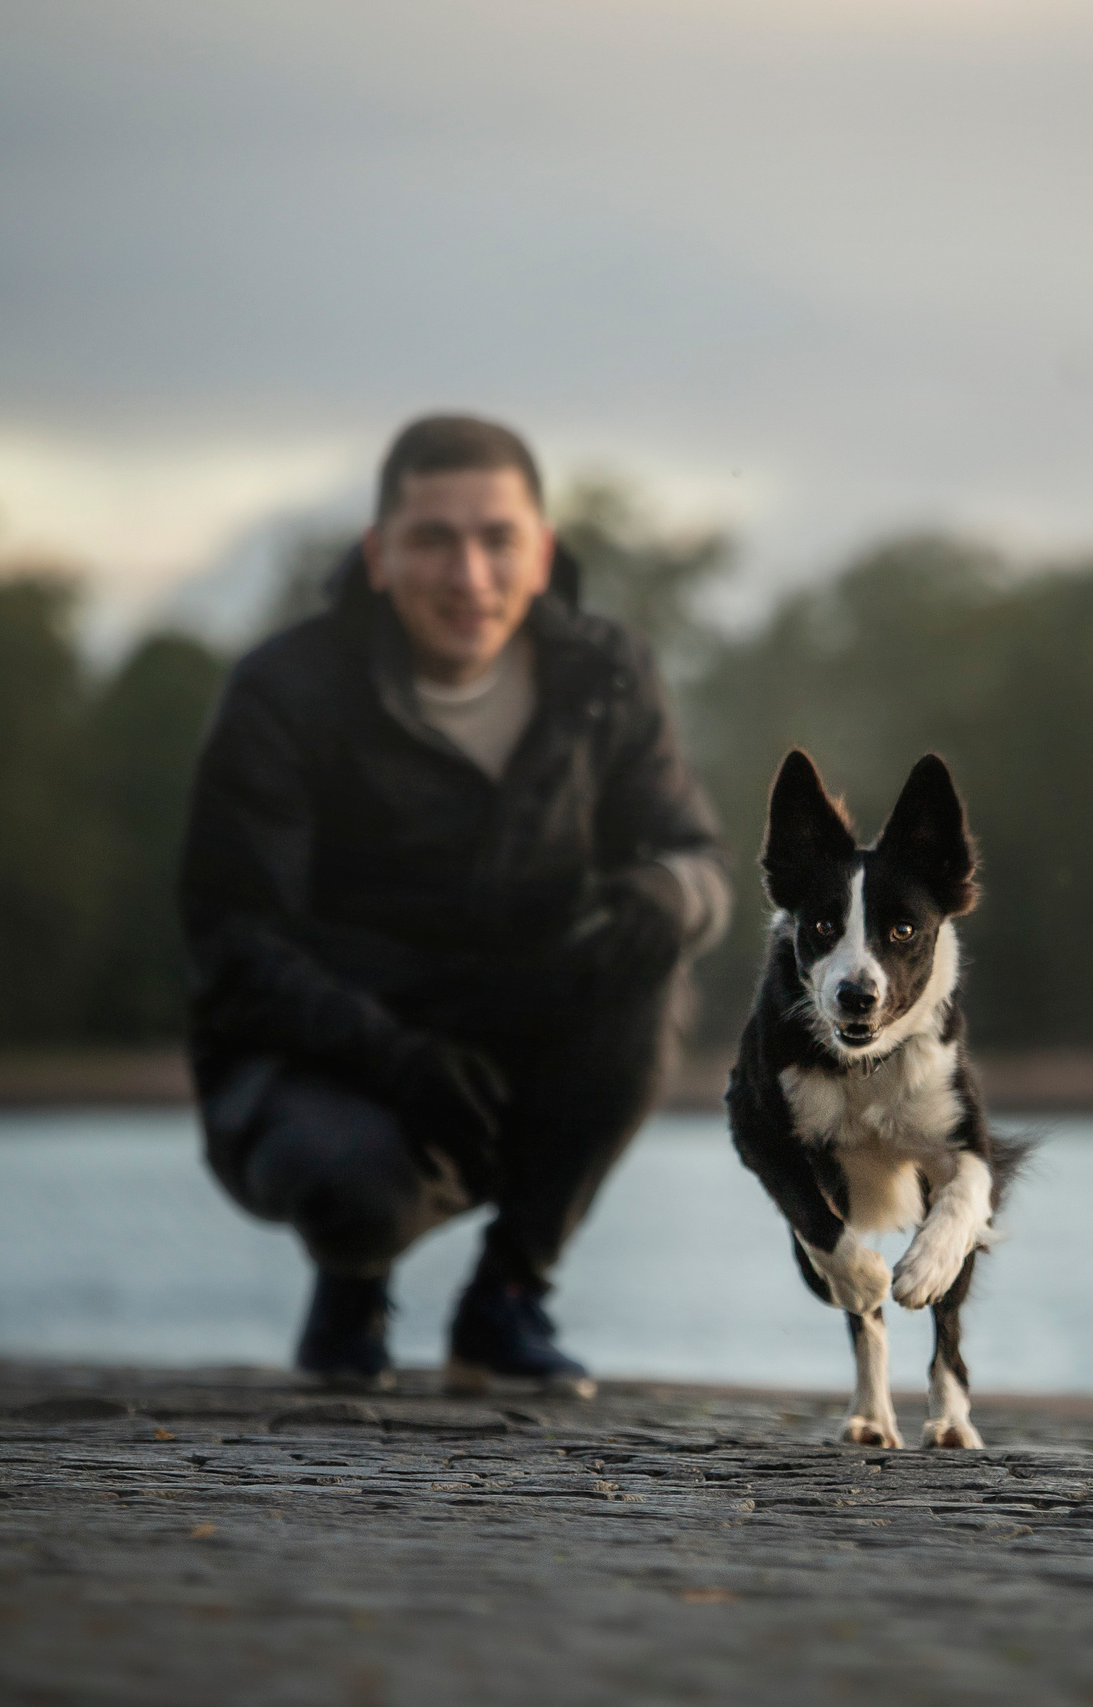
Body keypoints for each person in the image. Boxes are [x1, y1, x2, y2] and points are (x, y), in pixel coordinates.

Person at [179, 413, 731, 1394]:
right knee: (355, 1183)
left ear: (541, 552)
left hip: (519, 1032)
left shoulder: (606, 674)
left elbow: (697, 860)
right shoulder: (282, 692)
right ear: (379, 555)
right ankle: (351, 1284)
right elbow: (232, 945)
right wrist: (394, 1059)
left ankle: (507, 1301)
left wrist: (668, 895)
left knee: (650, 971)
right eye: (433, 539)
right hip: (323, 1054)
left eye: (496, 539)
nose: (468, 575)